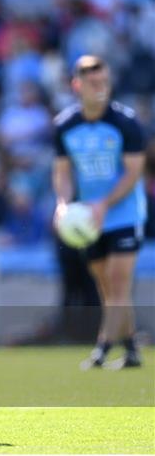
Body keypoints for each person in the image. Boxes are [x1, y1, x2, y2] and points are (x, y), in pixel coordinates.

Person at [53, 55, 147, 370]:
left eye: (104, 82)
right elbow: (63, 174)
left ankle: (102, 349)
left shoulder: (126, 123)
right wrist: (63, 204)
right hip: (89, 221)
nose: (100, 89)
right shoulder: (65, 126)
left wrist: (104, 204)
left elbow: (133, 173)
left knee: (119, 286)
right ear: (77, 85)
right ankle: (132, 349)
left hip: (123, 215)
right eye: (93, 83)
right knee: (107, 288)